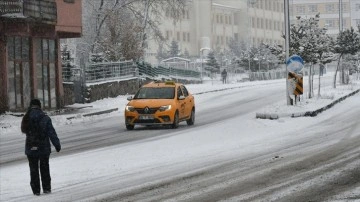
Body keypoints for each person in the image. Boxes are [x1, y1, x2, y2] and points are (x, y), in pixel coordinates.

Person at [21, 99, 61, 196]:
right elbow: (51, 133)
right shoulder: (45, 118)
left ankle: (36, 190)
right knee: (44, 168)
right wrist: (57, 144)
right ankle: (46, 188)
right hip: (43, 147)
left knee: (33, 170)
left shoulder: (26, 117)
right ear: (40, 106)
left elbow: (23, 130)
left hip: (31, 147)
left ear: (30, 106)